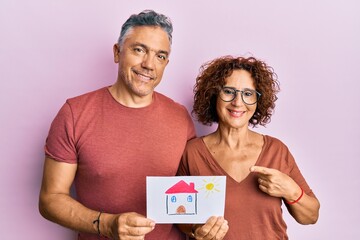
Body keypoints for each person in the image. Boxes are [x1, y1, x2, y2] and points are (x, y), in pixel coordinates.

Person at [38, 10, 215, 240]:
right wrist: (107, 224)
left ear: (166, 63)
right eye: (139, 50)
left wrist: (199, 229)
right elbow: (50, 199)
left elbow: (189, 199)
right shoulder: (74, 114)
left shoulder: (180, 117)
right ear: (117, 52)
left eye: (160, 56)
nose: (149, 64)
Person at [177, 56, 320, 239]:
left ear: (258, 100)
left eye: (248, 94)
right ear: (214, 95)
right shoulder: (193, 152)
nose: (238, 102)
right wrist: (196, 230)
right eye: (229, 91)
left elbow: (311, 216)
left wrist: (291, 190)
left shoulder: (276, 151)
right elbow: (178, 216)